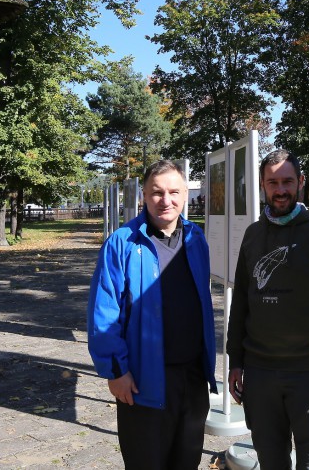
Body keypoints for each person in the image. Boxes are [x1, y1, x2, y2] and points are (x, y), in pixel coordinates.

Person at [227, 149, 309, 470]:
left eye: (287, 181)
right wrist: (236, 361)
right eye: (273, 182)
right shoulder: (252, 235)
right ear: (263, 185)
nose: (281, 190)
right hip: (260, 377)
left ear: (300, 182)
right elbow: (241, 304)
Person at [87, 160, 217, 470]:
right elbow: (103, 314)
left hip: (193, 378)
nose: (166, 200)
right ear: (144, 195)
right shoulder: (122, 243)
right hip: (143, 382)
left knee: (186, 463)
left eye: (174, 192)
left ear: (185, 194)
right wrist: (116, 371)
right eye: (157, 192)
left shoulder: (196, 239)